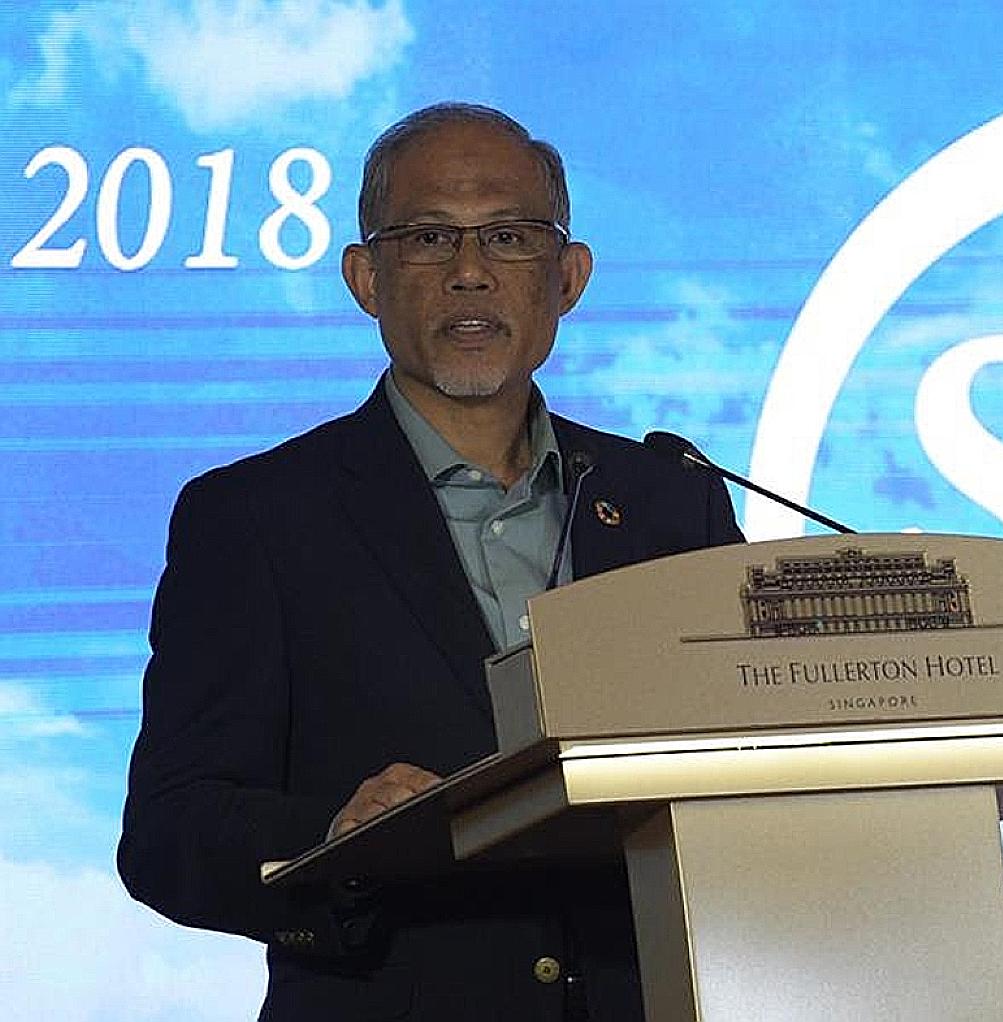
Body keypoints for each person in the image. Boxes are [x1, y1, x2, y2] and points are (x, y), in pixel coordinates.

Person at [118, 102, 744, 1021]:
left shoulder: (668, 499)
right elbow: (171, 832)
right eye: (427, 239)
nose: (470, 272)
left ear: (568, 276)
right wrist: (333, 836)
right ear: (365, 278)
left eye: (510, 236)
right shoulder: (254, 517)